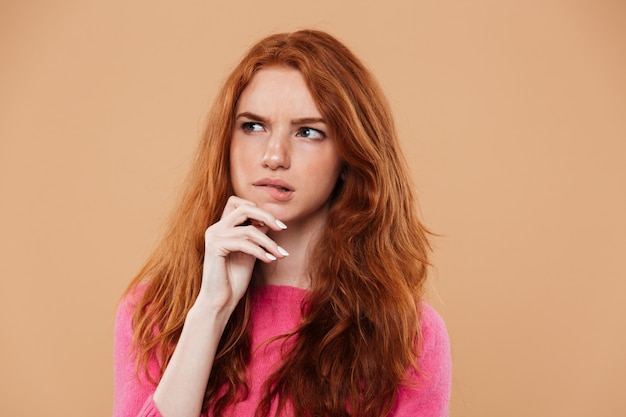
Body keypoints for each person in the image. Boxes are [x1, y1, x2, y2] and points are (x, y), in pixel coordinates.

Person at [112, 29, 451, 417]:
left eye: (308, 132)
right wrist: (210, 311)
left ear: (349, 155)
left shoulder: (410, 337)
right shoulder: (154, 312)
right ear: (226, 140)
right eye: (253, 126)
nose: (274, 156)